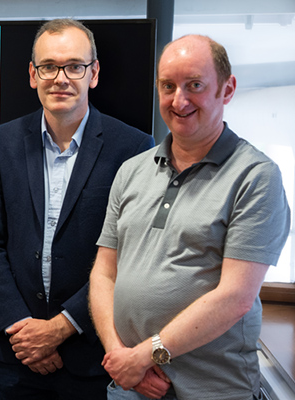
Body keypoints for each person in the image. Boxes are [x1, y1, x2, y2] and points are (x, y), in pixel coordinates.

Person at [89, 34, 290, 400]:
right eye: (168, 86)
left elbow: (235, 297)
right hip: (130, 385)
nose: (179, 100)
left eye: (194, 85)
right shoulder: (132, 171)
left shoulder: (256, 176)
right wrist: (122, 358)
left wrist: (143, 356)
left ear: (226, 90)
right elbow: (104, 272)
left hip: (212, 389)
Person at [0, 19, 154, 399]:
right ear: (32, 75)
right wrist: (24, 329)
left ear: (94, 73)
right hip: (17, 354)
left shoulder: (134, 149)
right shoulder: (2, 142)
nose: (61, 78)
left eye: (74, 66)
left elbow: (131, 255)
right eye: (49, 66)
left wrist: (61, 327)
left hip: (91, 357)